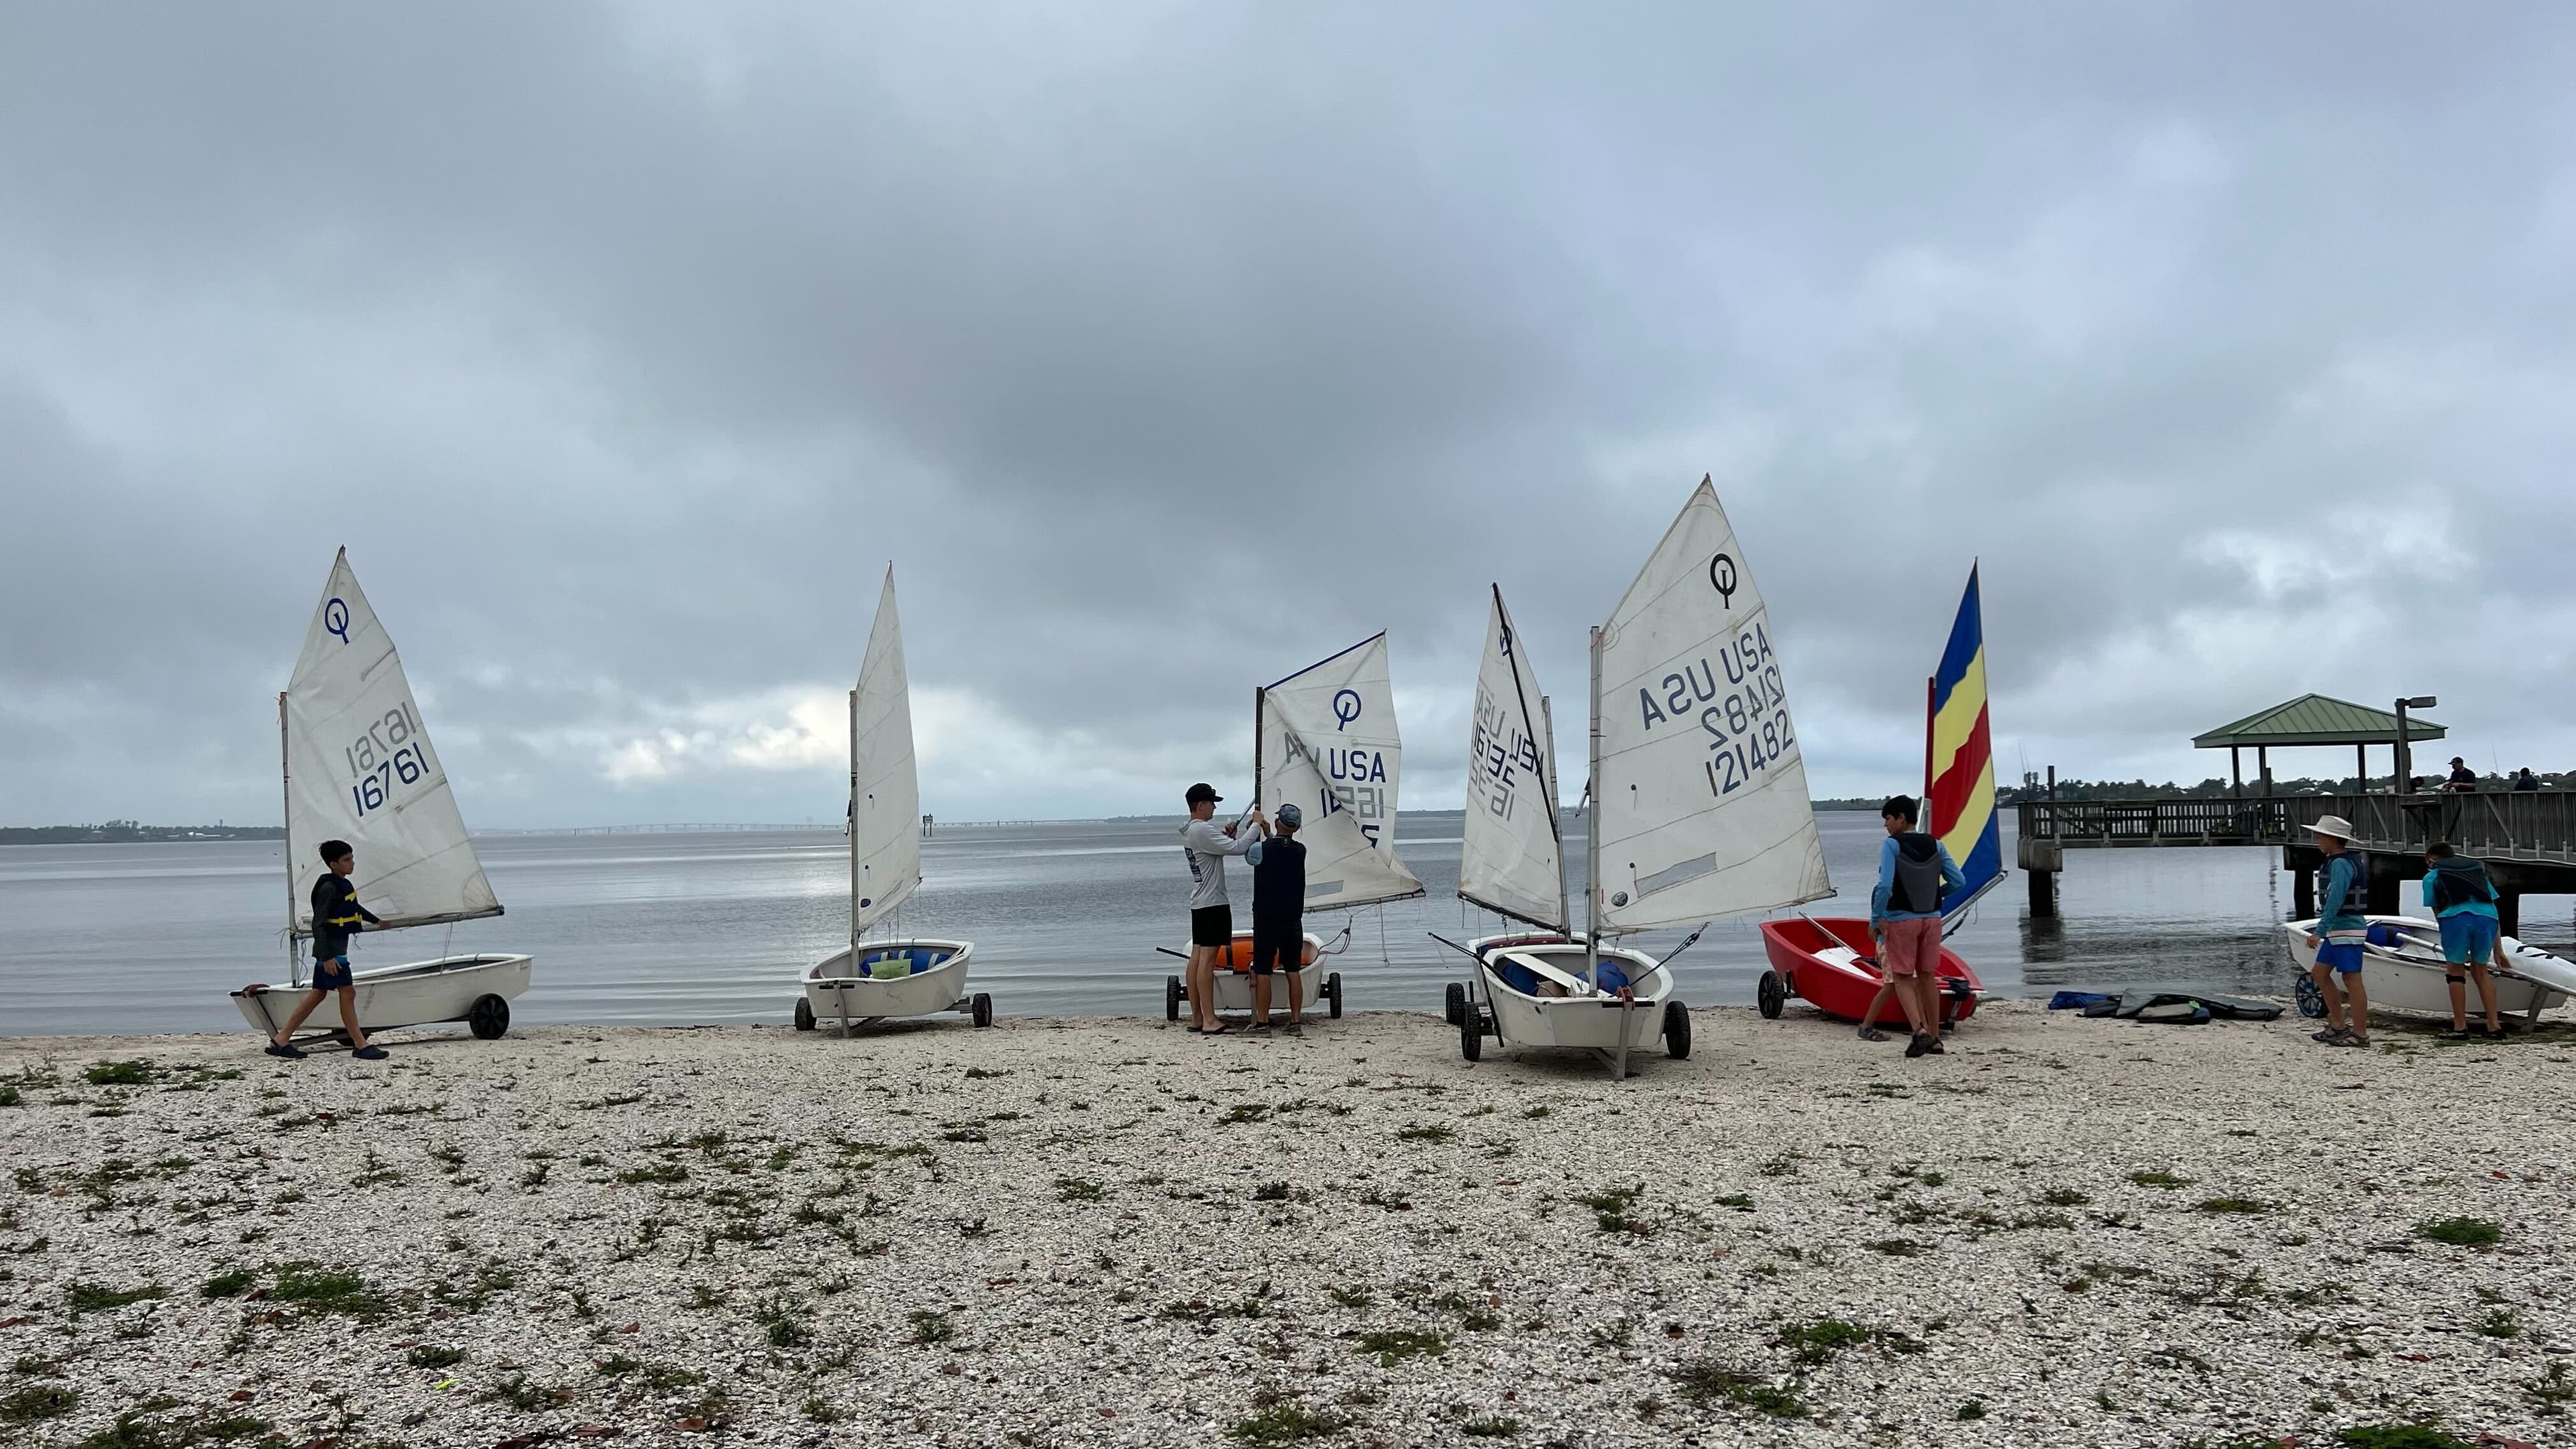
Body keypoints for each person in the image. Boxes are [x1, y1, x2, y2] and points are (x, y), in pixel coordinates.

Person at [267, 839, 390, 1060]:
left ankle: (281, 1039)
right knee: (347, 993)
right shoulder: (329, 887)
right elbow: (318, 923)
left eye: (352, 858)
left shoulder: (341, 884)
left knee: (319, 994)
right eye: (346, 860)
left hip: (334, 952)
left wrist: (377, 920)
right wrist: (328, 958)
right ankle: (360, 1045)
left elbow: (353, 906)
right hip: (331, 952)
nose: (352, 864)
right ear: (333, 864)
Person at [1868, 796, 1966, 1059]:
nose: (1886, 825)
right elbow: (1959, 881)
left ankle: (1918, 1031)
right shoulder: (1936, 844)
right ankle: (1935, 1039)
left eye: (1888, 819)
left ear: (1901, 818)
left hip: (1902, 919)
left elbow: (1885, 886)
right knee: (1927, 977)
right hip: (1932, 919)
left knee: (1902, 977)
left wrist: (1876, 919)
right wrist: (1938, 894)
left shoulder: (1891, 845)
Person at [1177, 783, 1264, 1035]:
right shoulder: (1202, 830)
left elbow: (1219, 848)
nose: (1215, 806)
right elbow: (1238, 849)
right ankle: (1210, 1020)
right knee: (1207, 962)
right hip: (1213, 902)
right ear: (1201, 805)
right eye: (1212, 802)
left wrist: (1228, 835)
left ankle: (1197, 1016)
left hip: (1200, 901)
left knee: (1197, 959)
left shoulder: (1191, 830)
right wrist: (1256, 824)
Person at [2422, 843, 2505, 1038]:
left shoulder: (2431, 876)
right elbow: (2491, 906)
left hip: (2456, 919)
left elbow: (2438, 911)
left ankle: (2460, 1027)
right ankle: (2494, 1027)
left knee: (2455, 972)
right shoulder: (2476, 874)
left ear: (2430, 860)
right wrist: (2498, 950)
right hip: (2488, 919)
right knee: (2481, 971)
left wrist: (2449, 940)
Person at [2303, 814, 2371, 1048]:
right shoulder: (2336, 861)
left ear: (2332, 839)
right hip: (2337, 930)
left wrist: (2318, 931)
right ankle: (2338, 1026)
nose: (2317, 840)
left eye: (2320, 836)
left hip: (2347, 929)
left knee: (2352, 978)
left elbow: (2335, 899)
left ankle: (2360, 1034)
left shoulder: (2341, 864)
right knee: (2320, 974)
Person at [1245, 802, 1309, 1034]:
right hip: (1292, 919)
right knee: (1293, 970)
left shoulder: (1261, 849)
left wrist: (1254, 829)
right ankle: (1295, 1022)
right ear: (1297, 828)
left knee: (1263, 970)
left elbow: (1250, 855)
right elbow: (1281, 846)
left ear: (1278, 822)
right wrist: (1269, 832)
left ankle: (1262, 1022)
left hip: (1266, 918)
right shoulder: (1300, 851)